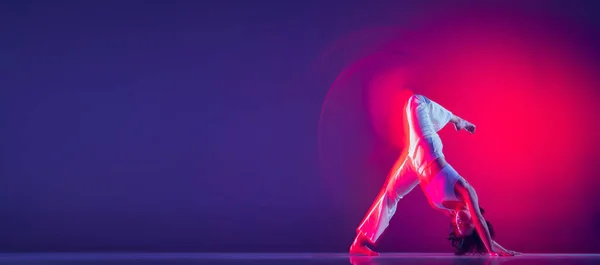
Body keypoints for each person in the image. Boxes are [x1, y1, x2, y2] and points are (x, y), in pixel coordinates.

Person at [349, 93, 519, 256]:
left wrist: (497, 247)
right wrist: (492, 250)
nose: (461, 222)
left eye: (459, 227)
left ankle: (359, 243)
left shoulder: (447, 210)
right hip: (428, 147)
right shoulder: (466, 192)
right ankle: (457, 120)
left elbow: (477, 235)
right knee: (415, 101)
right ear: (475, 219)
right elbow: (480, 224)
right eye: (468, 222)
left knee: (390, 194)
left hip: (415, 164)